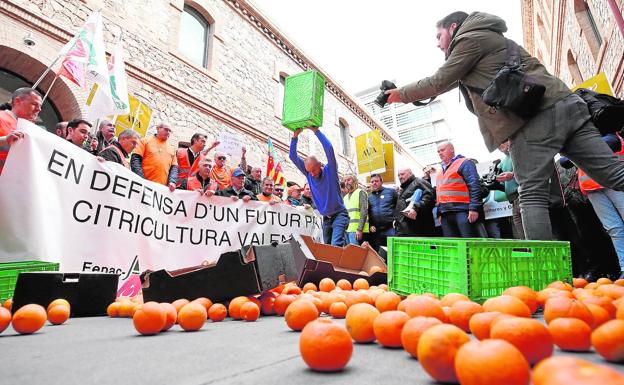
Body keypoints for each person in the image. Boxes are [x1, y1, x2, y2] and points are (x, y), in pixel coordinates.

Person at [385, 11, 624, 241]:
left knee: (530, 194)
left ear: (453, 28)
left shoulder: (469, 39)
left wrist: (396, 96)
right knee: (614, 174)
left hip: (535, 119)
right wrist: (403, 92)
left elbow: (437, 81)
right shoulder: (487, 38)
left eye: (438, 36)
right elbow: (444, 84)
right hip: (567, 105)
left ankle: (545, 276)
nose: (437, 44)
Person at [289, 127, 349, 246]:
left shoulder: (330, 170)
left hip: (340, 215)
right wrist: (295, 137)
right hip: (326, 218)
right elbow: (292, 156)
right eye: (309, 171)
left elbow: (329, 149)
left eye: (314, 170)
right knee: (326, 246)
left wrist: (316, 131)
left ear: (320, 164)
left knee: (336, 244)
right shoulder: (309, 174)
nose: (312, 173)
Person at [435, 142, 486, 237]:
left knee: (470, 243)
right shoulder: (440, 171)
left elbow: (474, 185)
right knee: (454, 246)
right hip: (446, 213)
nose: (440, 153)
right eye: (438, 151)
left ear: (452, 149)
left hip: (463, 211)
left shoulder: (464, 163)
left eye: (442, 150)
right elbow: (439, 194)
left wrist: (474, 208)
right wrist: (439, 213)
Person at [0, 88, 41, 174]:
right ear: (18, 101)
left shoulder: (33, 131)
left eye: (40, 106)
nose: (39, 109)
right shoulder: (1, 117)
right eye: (34, 104)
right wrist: (5, 140)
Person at [131, 122, 178, 192]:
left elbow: (174, 168)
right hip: (143, 185)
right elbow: (135, 160)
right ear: (158, 129)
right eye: (166, 129)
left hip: (161, 189)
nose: (168, 132)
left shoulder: (172, 148)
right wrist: (141, 179)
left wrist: (172, 181)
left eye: (169, 131)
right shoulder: (145, 141)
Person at [495, 139, 524, 239]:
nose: (499, 145)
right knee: (521, 234)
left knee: (528, 231)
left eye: (502, 141)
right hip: (513, 200)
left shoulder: (519, 154)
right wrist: (495, 183)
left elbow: (529, 174)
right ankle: (530, 252)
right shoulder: (502, 162)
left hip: (523, 196)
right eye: (497, 143)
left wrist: (512, 175)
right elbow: (504, 184)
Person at [395, 168, 436, 236]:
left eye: (402, 174)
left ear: (410, 173)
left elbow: (429, 197)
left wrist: (415, 208)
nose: (400, 177)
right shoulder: (404, 188)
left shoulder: (419, 182)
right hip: (406, 228)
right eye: (398, 175)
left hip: (418, 228)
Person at [368, 173, 398, 252]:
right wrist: (370, 225)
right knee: (380, 253)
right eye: (372, 181)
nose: (374, 183)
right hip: (376, 231)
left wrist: (397, 220)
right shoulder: (369, 196)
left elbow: (399, 206)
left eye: (376, 181)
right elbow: (368, 213)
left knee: (393, 251)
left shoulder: (391, 192)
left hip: (391, 228)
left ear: (381, 182)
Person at [343, 174, 369, 245]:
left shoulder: (361, 192)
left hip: (357, 230)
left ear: (355, 181)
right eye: (345, 181)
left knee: (356, 254)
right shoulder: (345, 197)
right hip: (347, 230)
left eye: (348, 180)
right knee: (350, 254)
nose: (346, 182)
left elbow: (364, 212)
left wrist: (359, 229)